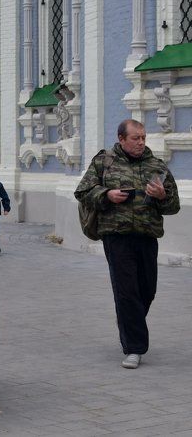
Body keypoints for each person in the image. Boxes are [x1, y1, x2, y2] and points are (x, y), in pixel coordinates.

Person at [74, 119, 180, 370]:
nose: (141, 142)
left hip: (146, 235)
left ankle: (128, 321)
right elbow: (82, 192)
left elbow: (173, 206)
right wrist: (106, 195)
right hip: (117, 236)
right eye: (136, 138)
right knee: (127, 291)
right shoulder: (104, 162)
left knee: (147, 289)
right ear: (122, 139)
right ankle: (134, 348)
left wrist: (162, 196)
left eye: (143, 137)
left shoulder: (156, 165)